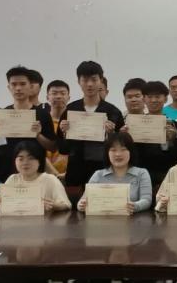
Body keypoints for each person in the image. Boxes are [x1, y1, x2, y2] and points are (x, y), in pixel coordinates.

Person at [58, 60, 125, 189]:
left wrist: (111, 134)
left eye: (94, 80)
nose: (89, 84)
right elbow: (63, 149)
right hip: (76, 172)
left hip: (104, 171)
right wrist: (64, 133)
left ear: (101, 81)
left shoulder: (112, 112)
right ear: (79, 81)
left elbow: (121, 147)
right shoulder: (70, 110)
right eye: (85, 80)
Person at [0, 66, 56, 180]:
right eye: (14, 84)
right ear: (9, 87)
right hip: (6, 173)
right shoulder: (2, 114)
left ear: (30, 86)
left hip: (35, 174)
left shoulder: (42, 114)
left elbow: (53, 147)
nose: (18, 88)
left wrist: (38, 135)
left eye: (23, 84)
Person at [76, 132, 152, 214]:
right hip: (102, 219)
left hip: (134, 219)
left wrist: (135, 206)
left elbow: (147, 200)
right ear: (107, 153)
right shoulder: (98, 175)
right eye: (113, 150)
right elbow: (83, 200)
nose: (118, 154)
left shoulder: (142, 173)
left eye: (123, 149)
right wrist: (81, 205)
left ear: (131, 152)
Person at [131, 80, 177, 191]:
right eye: (150, 97)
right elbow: (133, 154)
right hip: (142, 178)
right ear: (144, 99)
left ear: (165, 99)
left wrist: (173, 141)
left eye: (158, 96)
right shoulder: (136, 124)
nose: (154, 100)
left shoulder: (174, 125)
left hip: (169, 178)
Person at [0, 141, 72, 213]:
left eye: (31, 158)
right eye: (21, 159)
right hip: (17, 221)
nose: (25, 163)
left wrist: (52, 206)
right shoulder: (13, 179)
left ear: (39, 161)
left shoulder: (50, 179)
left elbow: (66, 205)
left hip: (46, 221)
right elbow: (2, 203)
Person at [44, 79, 70, 176]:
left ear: (68, 97)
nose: (58, 96)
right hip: (45, 175)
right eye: (54, 93)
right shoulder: (41, 122)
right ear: (47, 97)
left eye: (63, 93)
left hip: (70, 175)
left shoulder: (75, 122)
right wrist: (55, 174)